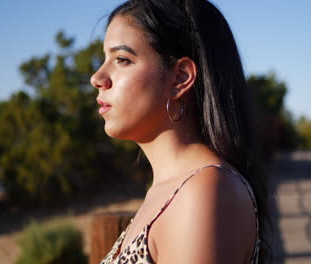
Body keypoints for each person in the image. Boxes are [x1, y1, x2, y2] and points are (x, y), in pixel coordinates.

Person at [90, 0, 270, 263]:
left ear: (180, 78)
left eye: (122, 59)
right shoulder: (172, 189)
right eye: (105, 59)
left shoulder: (204, 191)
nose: (97, 77)